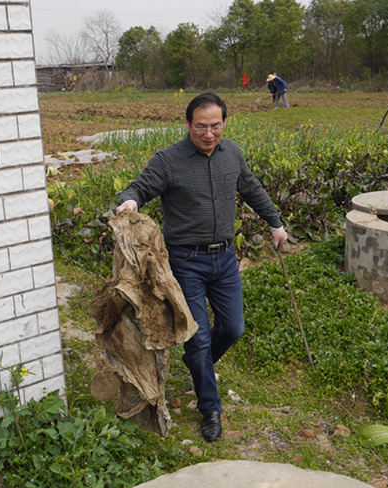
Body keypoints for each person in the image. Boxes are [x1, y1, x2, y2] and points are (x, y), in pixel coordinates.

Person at [116, 93, 288, 442]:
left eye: (215, 126)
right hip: (185, 262)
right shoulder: (169, 160)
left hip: (225, 259)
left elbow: (251, 188)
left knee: (233, 329)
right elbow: (140, 187)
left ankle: (198, 363)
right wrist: (129, 201)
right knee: (197, 338)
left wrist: (275, 223)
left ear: (224, 123)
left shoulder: (232, 154)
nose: (209, 134)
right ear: (187, 123)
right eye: (201, 126)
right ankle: (210, 407)